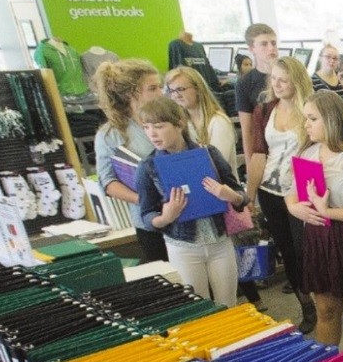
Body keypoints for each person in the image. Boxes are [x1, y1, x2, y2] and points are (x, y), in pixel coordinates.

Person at [135, 97, 248, 308]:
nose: (152, 133)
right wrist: (166, 216)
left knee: (229, 307)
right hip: (183, 246)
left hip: (219, 241)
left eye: (159, 126)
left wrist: (230, 195)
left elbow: (242, 196)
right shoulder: (148, 166)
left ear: (179, 123)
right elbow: (146, 216)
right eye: (146, 127)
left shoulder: (208, 154)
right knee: (198, 309)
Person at [165, 65, 263, 310]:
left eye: (181, 89)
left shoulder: (217, 122)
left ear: (197, 89)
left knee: (231, 259)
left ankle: (253, 303)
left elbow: (210, 168)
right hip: (200, 201)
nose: (176, 94)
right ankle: (253, 302)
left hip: (220, 198)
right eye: (172, 90)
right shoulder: (183, 122)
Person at [285, 91, 343, 346]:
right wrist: (295, 208)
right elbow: (291, 195)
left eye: (312, 118)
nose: (306, 124)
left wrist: (328, 212)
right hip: (318, 238)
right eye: (306, 118)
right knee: (326, 310)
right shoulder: (307, 155)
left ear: (331, 120)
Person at [246, 56, 317, 333]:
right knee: (288, 251)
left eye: (283, 79)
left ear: (296, 80)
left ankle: (322, 301)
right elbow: (259, 154)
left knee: (306, 249)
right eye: (273, 78)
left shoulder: (310, 109)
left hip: (302, 190)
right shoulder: (265, 110)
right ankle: (306, 305)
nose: (276, 84)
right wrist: (249, 197)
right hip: (270, 190)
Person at [93, 59, 167, 263]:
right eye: (153, 88)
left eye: (161, 87)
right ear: (130, 94)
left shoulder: (169, 118)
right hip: (150, 221)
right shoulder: (110, 135)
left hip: (187, 214)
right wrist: (144, 200)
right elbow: (107, 183)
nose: (161, 93)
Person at [235, 23, 279, 169]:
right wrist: (250, 167)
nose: (271, 48)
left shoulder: (290, 75)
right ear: (252, 49)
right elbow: (247, 130)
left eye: (273, 43)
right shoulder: (245, 84)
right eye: (264, 44)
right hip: (265, 151)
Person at [311, 43, 343, 107]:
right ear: (320, 58)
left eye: (335, 58)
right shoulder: (312, 81)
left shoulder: (341, 76)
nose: (332, 60)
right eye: (328, 57)